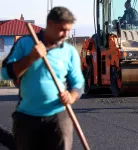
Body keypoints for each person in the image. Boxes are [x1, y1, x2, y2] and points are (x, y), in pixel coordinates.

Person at [1, 6, 84, 150]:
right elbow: (6, 73)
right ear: (50, 24)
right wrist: (30, 58)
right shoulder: (25, 44)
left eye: (68, 30)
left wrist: (71, 96)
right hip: (27, 118)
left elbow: (78, 83)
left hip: (58, 116)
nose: (65, 35)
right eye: (62, 29)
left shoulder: (69, 52)